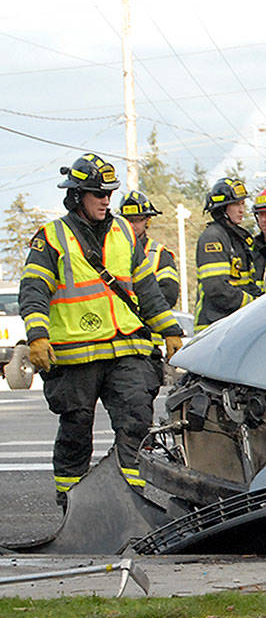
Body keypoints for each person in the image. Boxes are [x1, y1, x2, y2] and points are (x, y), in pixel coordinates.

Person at [18, 153, 183, 509]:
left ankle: (128, 501)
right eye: (98, 193)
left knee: (137, 420)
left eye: (109, 192)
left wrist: (169, 330)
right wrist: (37, 336)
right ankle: (73, 506)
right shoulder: (51, 237)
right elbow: (33, 291)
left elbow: (147, 290)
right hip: (76, 353)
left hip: (126, 348)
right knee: (76, 431)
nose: (106, 200)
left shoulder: (124, 231)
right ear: (77, 196)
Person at [118, 190, 180, 399]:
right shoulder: (112, 251)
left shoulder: (159, 254)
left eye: (138, 220)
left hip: (148, 344)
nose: (132, 225)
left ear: (147, 222)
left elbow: (168, 295)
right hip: (118, 345)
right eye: (128, 220)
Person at [194, 177, 259, 332]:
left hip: (232, 324)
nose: (242, 210)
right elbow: (217, 288)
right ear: (222, 208)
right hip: (214, 327)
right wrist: (252, 303)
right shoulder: (213, 238)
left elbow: (246, 282)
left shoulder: (237, 238)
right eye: (236, 204)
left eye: (242, 203)